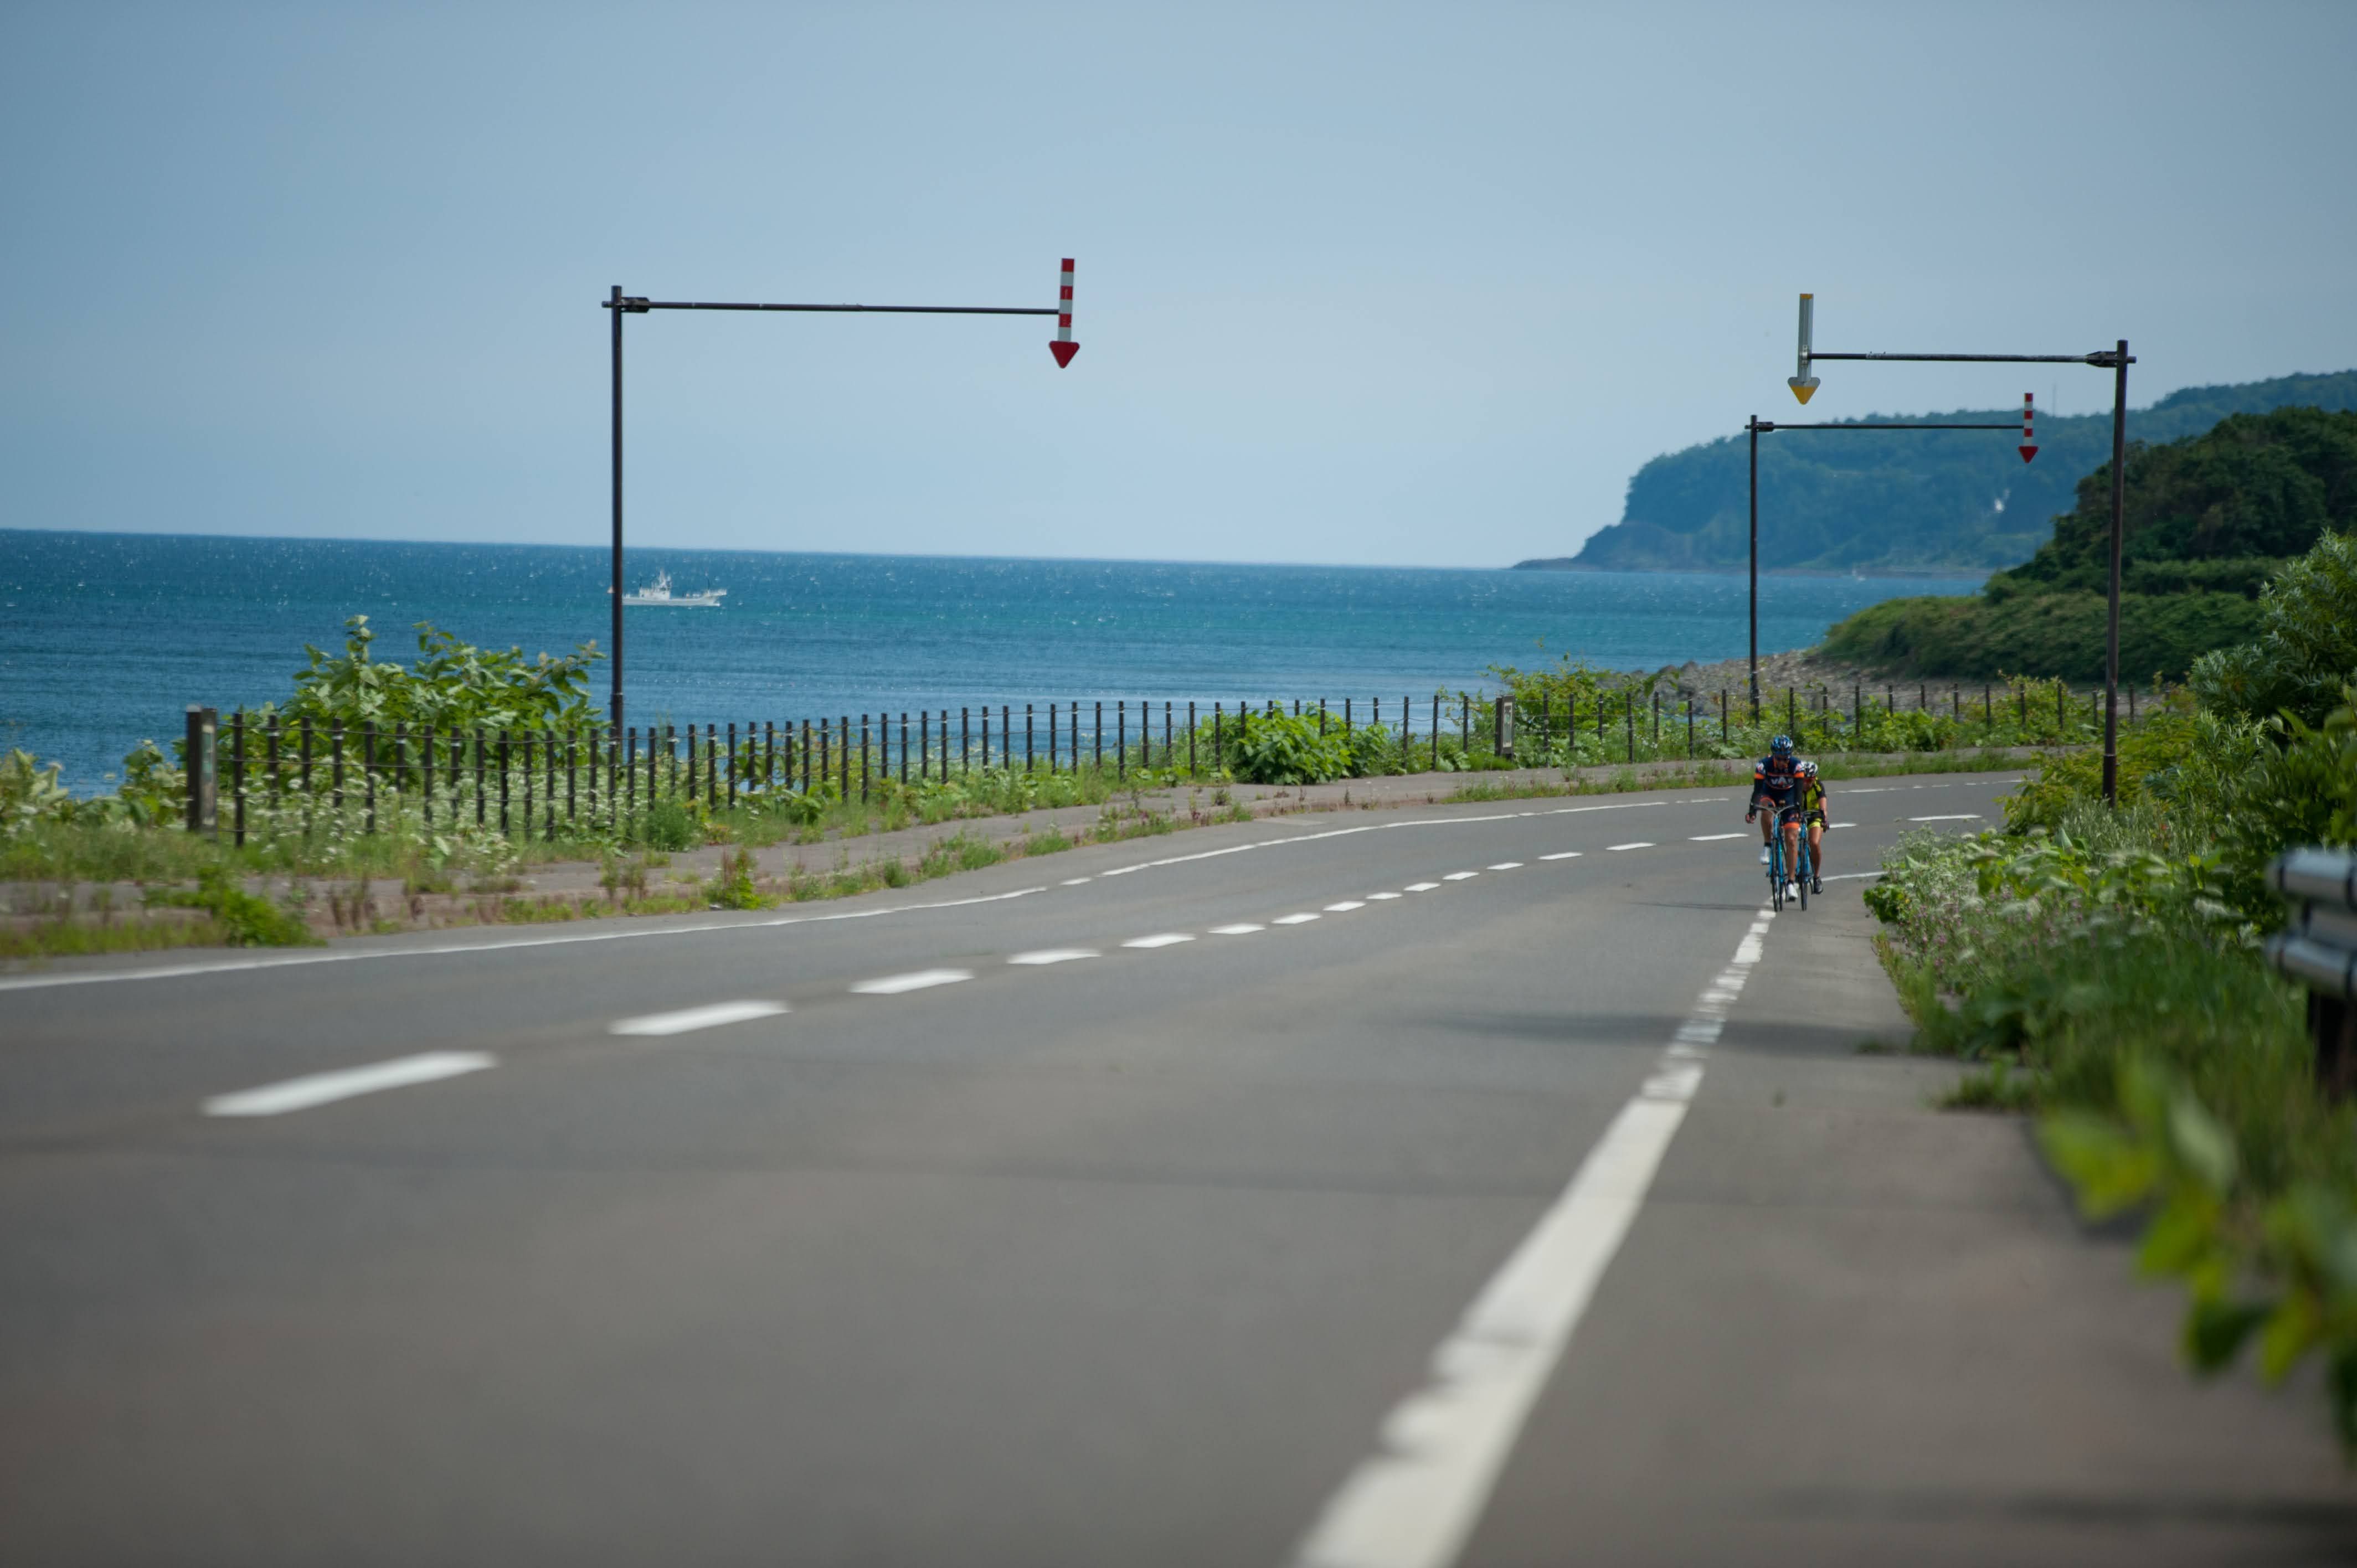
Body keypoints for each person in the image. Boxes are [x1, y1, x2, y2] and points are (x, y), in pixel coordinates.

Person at [1747, 734, 1800, 873]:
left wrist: (1798, 808)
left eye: (1786, 759)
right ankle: (1767, 845)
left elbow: (1799, 792)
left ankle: (1790, 880)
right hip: (1769, 793)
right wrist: (1752, 810)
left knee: (1791, 836)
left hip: (1789, 795)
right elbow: (1757, 792)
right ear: (1773, 756)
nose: (1783, 762)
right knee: (1765, 808)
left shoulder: (1796, 765)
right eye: (1779, 759)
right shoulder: (1763, 765)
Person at [1795, 758, 1829, 894]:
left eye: (1810, 780)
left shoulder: (1818, 786)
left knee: (1814, 843)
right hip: (1798, 816)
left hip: (1814, 816)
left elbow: (1823, 805)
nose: (1806, 783)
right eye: (1804, 779)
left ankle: (1816, 877)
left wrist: (1824, 819)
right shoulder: (1795, 785)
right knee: (1790, 839)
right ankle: (1795, 869)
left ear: (1814, 779)